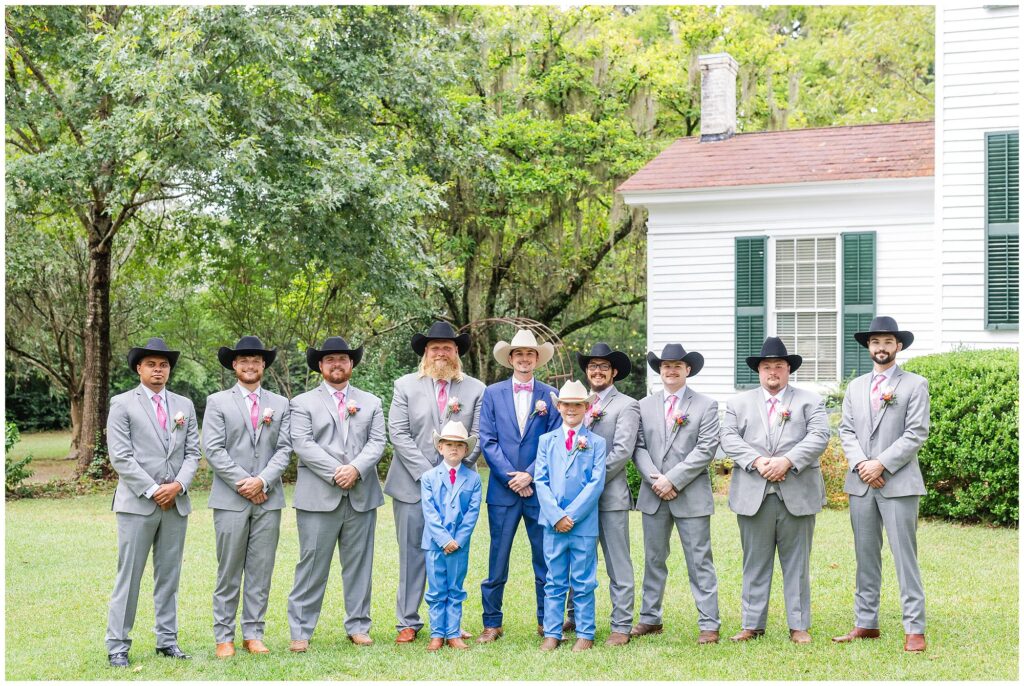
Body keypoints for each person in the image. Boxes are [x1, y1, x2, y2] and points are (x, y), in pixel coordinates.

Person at [720, 337, 830, 644]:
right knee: (754, 561)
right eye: (767, 366)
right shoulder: (738, 403)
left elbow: (820, 435)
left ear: (788, 370)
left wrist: (787, 461)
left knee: (797, 562)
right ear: (758, 371)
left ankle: (799, 626)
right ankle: (752, 624)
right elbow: (728, 438)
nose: (773, 372)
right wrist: (756, 460)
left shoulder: (810, 402)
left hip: (798, 491)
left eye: (779, 366)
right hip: (753, 493)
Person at [834, 316, 930, 653]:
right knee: (865, 556)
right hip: (861, 484)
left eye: (887, 342)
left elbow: (916, 432)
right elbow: (845, 431)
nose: (881, 348)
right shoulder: (856, 386)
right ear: (868, 348)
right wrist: (862, 465)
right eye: (875, 343)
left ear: (898, 346)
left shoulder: (914, 384)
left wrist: (881, 464)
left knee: (905, 556)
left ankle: (914, 628)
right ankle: (866, 623)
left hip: (899, 483)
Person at [385, 321, 485, 644]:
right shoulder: (405, 386)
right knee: (413, 553)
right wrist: (430, 474)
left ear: (457, 351)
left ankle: (449, 623)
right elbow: (397, 433)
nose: (441, 352)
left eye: (447, 347)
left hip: (458, 486)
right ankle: (408, 621)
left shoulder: (475, 389)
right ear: (425, 352)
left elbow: (479, 436)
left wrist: (455, 471)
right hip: (412, 485)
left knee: (452, 555)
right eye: (435, 347)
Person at [286, 336, 386, 652]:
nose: (337, 364)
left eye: (343, 359)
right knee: (312, 563)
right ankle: (301, 630)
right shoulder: (301, 403)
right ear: (320, 365)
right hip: (318, 496)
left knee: (359, 564)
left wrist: (355, 469)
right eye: (330, 360)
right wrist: (336, 471)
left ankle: (358, 625)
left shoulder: (371, 402)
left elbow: (377, 443)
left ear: (351, 364)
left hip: (361, 494)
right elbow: (302, 443)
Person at [105, 337, 201, 667]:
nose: (158, 370)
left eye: (163, 365)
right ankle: (118, 644)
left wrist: (177, 486)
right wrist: (152, 489)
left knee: (169, 576)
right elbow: (120, 456)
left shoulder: (184, 406)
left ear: (169, 370)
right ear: (139, 368)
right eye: (151, 365)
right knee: (129, 576)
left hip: (175, 504)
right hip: (137, 504)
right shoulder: (122, 404)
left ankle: (167, 640)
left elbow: (193, 453)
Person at [203, 336, 292, 657]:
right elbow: (212, 448)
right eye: (243, 360)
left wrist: (263, 482)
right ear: (234, 365)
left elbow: (285, 448)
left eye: (255, 360)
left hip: (269, 499)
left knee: (261, 568)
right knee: (228, 569)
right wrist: (245, 482)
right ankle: (223, 636)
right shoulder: (217, 402)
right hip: (230, 499)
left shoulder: (281, 404)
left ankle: (253, 633)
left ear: (264, 365)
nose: (250, 365)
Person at [476, 328, 563, 643]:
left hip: (539, 491)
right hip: (503, 491)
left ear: (536, 359)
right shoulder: (493, 393)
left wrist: (530, 474)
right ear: (510, 359)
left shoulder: (550, 396)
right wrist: (512, 477)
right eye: (519, 354)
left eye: (530, 354)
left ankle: (546, 623)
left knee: (544, 558)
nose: (525, 359)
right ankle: (492, 623)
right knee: (497, 559)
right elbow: (487, 440)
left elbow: (552, 443)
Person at [632, 343, 721, 644]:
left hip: (690, 494)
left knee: (699, 560)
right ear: (659, 370)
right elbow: (638, 446)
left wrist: (673, 479)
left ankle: (709, 623)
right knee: (654, 558)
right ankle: (650, 618)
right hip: (653, 493)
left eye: (677, 366)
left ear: (688, 370)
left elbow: (706, 449)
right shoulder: (643, 405)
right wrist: (655, 478)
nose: (671, 370)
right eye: (665, 365)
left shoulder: (705, 405)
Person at [563, 343, 640, 646]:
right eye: (593, 366)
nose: (597, 371)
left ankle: (621, 625)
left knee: (617, 561)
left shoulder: (627, 405)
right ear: (587, 371)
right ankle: (574, 615)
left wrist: (589, 482)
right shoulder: (577, 403)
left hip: (610, 497)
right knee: (578, 558)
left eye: (603, 367)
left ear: (614, 372)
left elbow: (622, 452)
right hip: (577, 500)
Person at [535, 380, 607, 652]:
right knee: (554, 579)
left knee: (583, 579)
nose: (571, 409)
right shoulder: (546, 441)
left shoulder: (596, 443)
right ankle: (552, 632)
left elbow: (596, 482)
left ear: (586, 407)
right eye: (566, 404)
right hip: (553, 524)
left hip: (582, 523)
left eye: (577, 404)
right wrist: (556, 515)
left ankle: (585, 632)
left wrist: (571, 515)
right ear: (559, 407)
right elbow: (540, 480)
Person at [420, 420, 483, 651]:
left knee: (456, 588)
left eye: (459, 445)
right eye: (448, 444)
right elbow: (429, 512)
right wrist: (444, 540)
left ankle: (453, 632)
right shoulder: (429, 477)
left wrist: (458, 540)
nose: (453, 449)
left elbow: (472, 513)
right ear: (440, 448)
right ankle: (437, 633)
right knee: (436, 589)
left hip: (459, 544)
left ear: (466, 449)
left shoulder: (473, 479)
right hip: (435, 544)